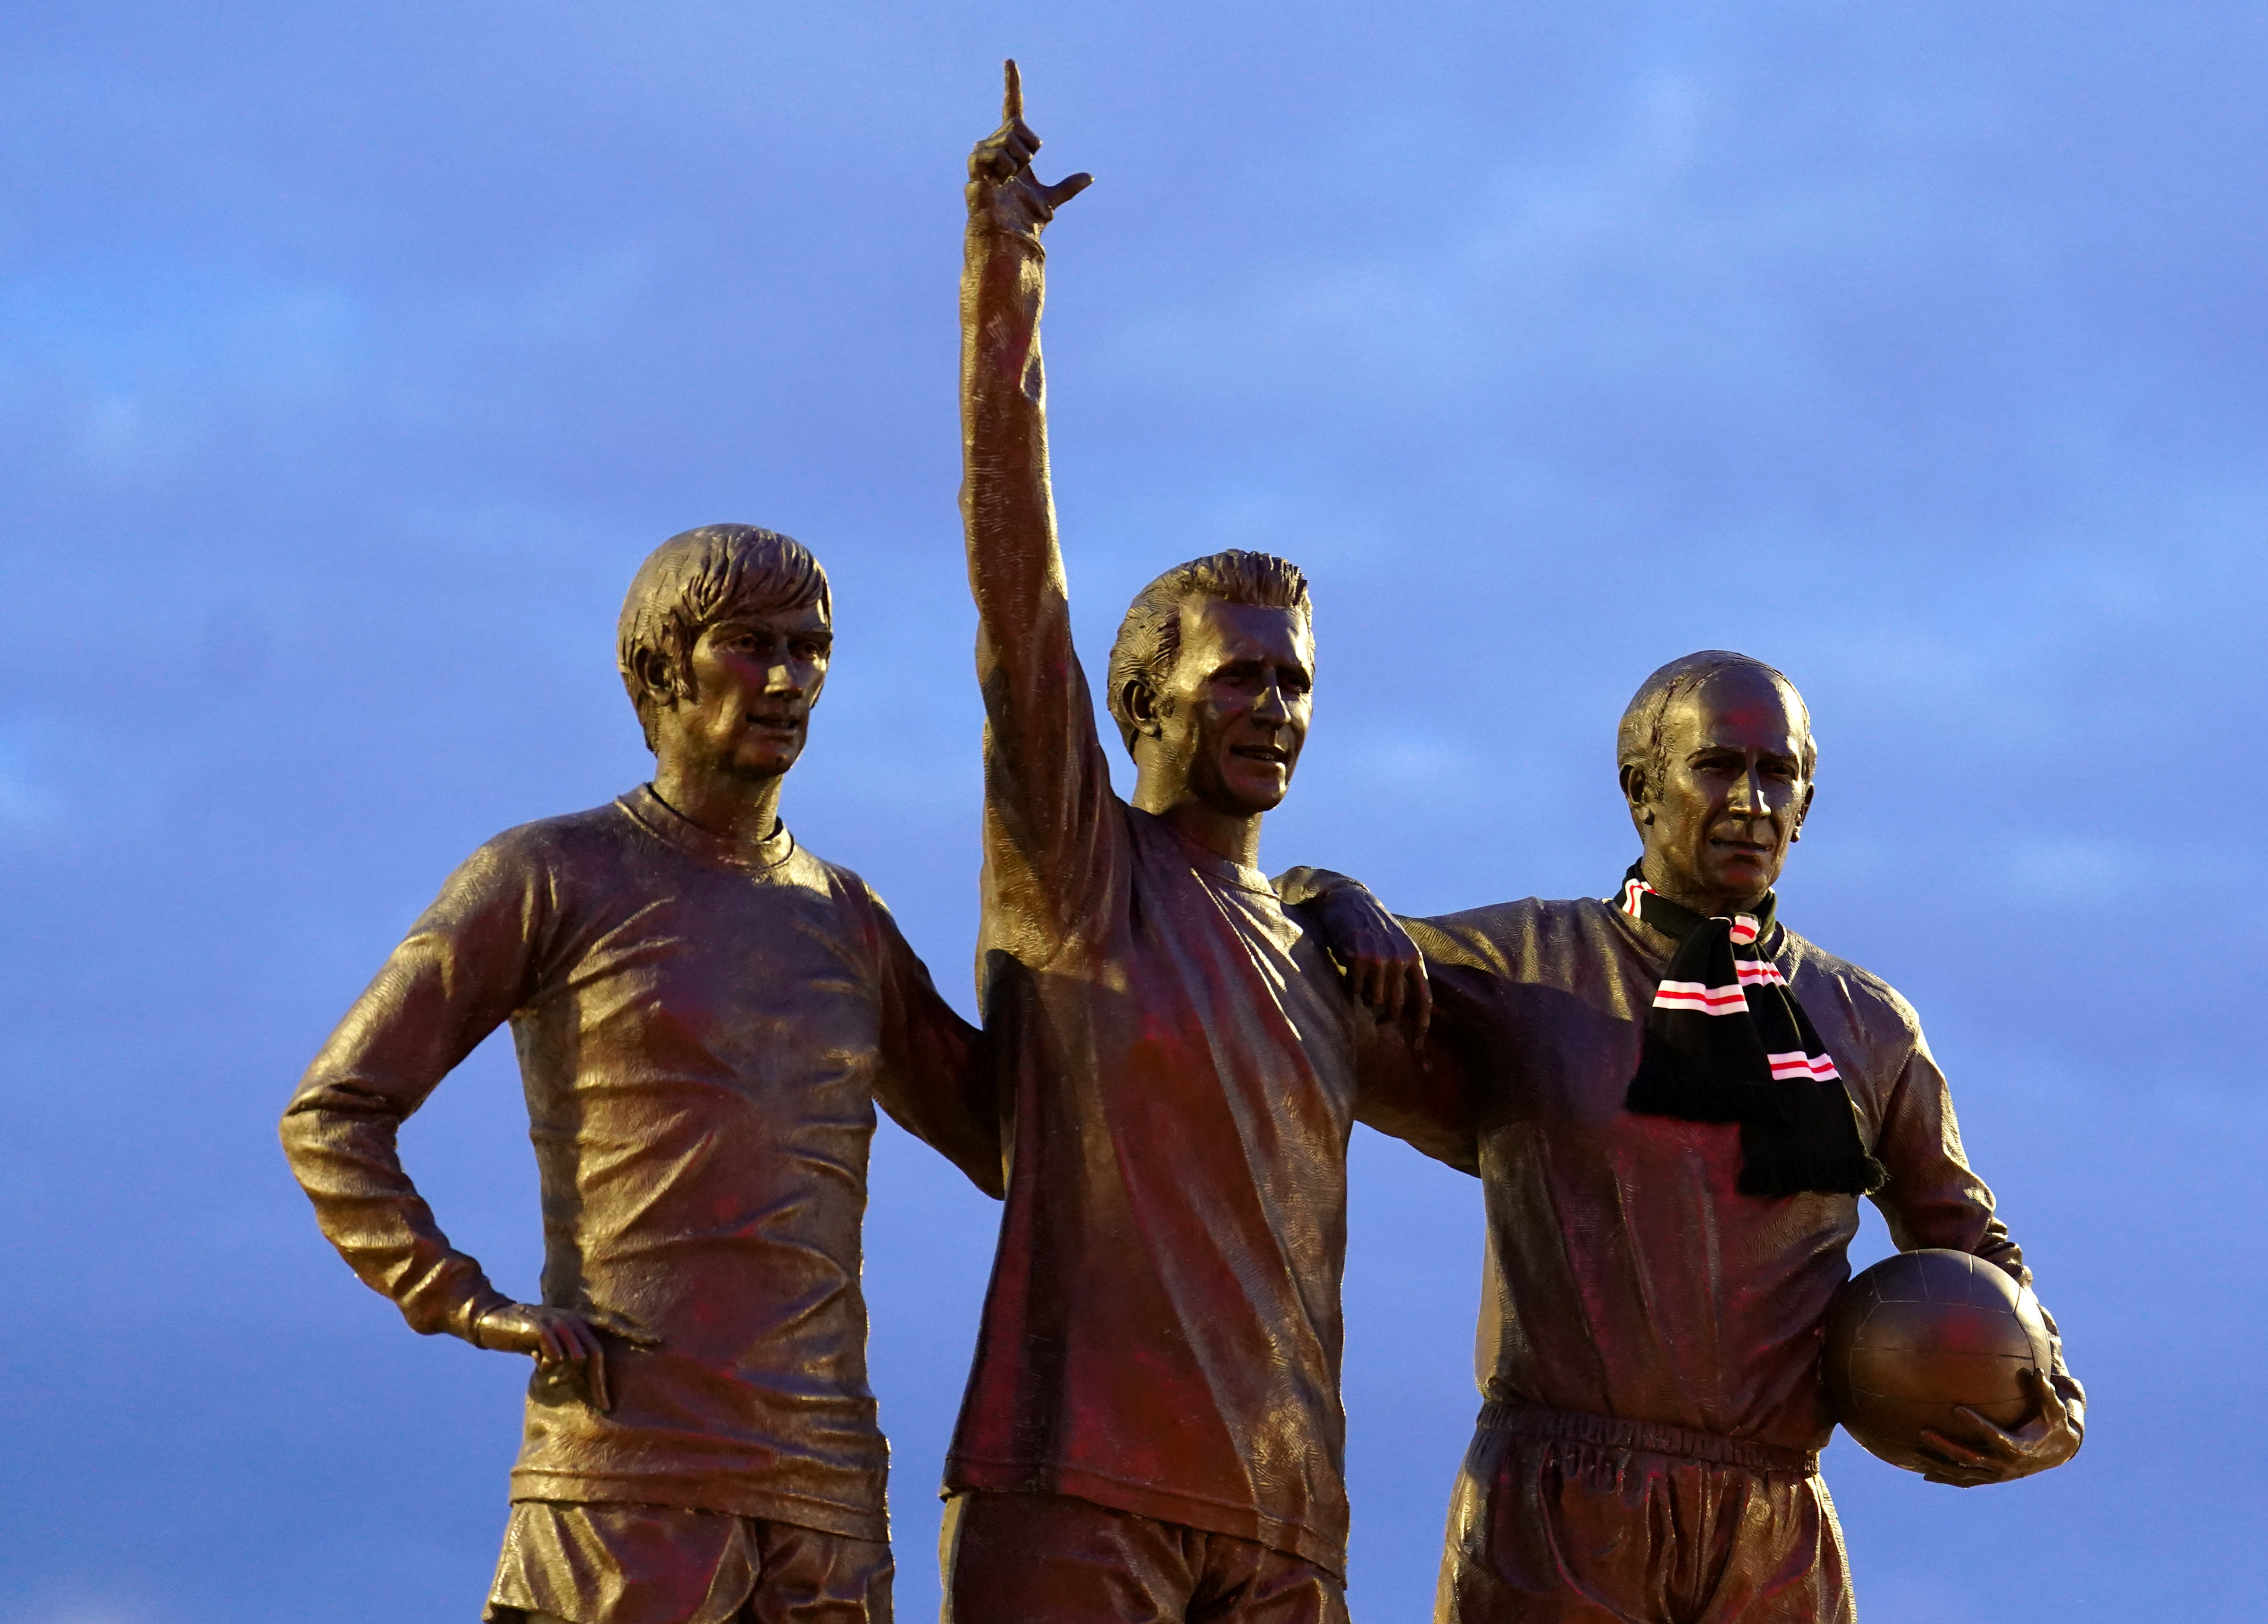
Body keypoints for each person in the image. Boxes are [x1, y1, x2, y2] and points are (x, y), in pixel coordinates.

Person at [937, 63, 1446, 1624]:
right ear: (1142, 695)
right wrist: (1006, 287)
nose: (1277, 705)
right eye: (1241, 673)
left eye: (1297, 680)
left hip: (1288, 1523)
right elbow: (1017, 584)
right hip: (1081, 1493)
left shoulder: (1324, 953)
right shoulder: (1080, 870)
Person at [279, 524, 999, 1624]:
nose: (787, 679)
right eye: (749, 644)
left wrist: (1283, 906)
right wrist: (462, 1299)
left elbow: (1010, 1144)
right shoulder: (551, 873)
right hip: (626, 1482)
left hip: (826, 1496)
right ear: (660, 670)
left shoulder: (849, 919)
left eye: (811, 650)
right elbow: (334, 1113)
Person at [1314, 650, 2085, 1623]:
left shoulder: (1869, 1024)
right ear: (1640, 787)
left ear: (1807, 802)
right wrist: (1325, 891)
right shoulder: (1522, 969)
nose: (1754, 800)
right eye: (1719, 765)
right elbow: (1282, 969)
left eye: (1780, 773)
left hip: (1773, 1531)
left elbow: (1977, 1253)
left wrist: (2041, 1410)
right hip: (1560, 1514)